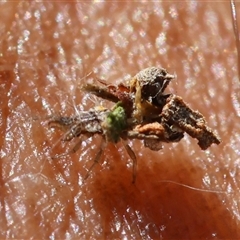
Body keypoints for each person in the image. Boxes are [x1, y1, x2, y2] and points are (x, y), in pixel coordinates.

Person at [1, 2, 239, 238]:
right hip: (110, 117)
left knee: (94, 134)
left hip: (122, 117)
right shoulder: (115, 114)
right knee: (79, 127)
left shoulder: (138, 114)